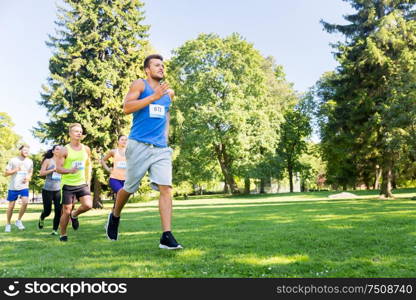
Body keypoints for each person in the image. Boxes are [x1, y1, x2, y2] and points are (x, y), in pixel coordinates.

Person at [106, 54, 182, 249]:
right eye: (157, 65)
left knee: (166, 187)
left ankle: (166, 236)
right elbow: (126, 108)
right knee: (129, 188)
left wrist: (165, 137)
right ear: (147, 70)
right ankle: (115, 215)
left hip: (161, 148)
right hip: (138, 144)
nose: (161, 68)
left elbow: (166, 114)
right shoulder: (140, 84)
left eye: (163, 65)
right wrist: (152, 97)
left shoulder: (169, 93)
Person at [56, 123, 92, 242]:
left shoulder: (86, 149)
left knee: (88, 205)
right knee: (66, 211)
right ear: (70, 134)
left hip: (82, 183)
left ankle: (75, 215)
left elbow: (88, 165)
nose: (79, 133)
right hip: (67, 185)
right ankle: (63, 234)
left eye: (80, 131)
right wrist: (69, 170)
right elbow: (58, 169)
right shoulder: (64, 150)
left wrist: (88, 180)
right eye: (76, 131)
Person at [4, 145, 33, 232]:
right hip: (13, 187)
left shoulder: (30, 161)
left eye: (27, 151)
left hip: (24, 186)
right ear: (20, 151)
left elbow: (31, 172)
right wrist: (16, 170)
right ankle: (8, 224)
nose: (26, 152)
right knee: (11, 206)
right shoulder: (13, 160)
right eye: (24, 150)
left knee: (25, 202)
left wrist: (28, 177)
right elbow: (6, 173)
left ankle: (18, 220)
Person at [38, 145, 62, 235]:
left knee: (58, 210)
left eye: (61, 149)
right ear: (53, 151)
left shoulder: (63, 161)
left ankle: (54, 230)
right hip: (47, 189)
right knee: (47, 211)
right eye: (57, 149)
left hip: (59, 189)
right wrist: (53, 170)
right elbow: (41, 173)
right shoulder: (48, 161)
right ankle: (42, 217)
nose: (59, 150)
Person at [101, 135, 127, 206]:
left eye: (126, 140)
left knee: (122, 198)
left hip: (126, 180)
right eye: (122, 140)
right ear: (118, 141)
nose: (124, 141)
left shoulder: (130, 152)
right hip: (114, 179)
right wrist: (108, 169)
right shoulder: (113, 151)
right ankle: (114, 214)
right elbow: (103, 160)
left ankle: (114, 215)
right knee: (120, 193)